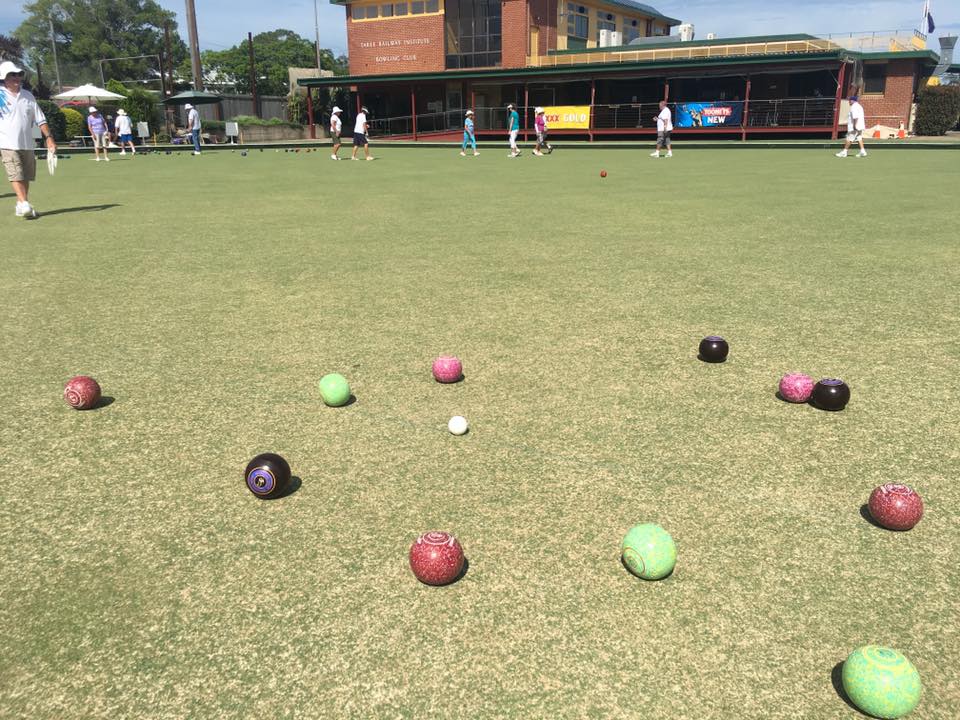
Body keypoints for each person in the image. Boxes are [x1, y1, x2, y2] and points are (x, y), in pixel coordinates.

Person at [0, 60, 57, 219]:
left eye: (19, 74)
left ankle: (21, 204)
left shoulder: (28, 95)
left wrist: (49, 138)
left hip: (27, 143)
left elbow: (40, 119)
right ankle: (25, 203)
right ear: (4, 77)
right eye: (12, 75)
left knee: (26, 175)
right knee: (16, 174)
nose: (17, 77)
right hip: (6, 143)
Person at [836, 93, 867, 158]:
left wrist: (854, 126)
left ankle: (844, 152)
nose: (849, 102)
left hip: (855, 126)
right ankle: (862, 151)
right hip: (860, 126)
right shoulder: (859, 106)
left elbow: (855, 117)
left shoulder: (854, 107)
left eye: (849, 100)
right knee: (859, 138)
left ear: (853, 101)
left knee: (849, 139)